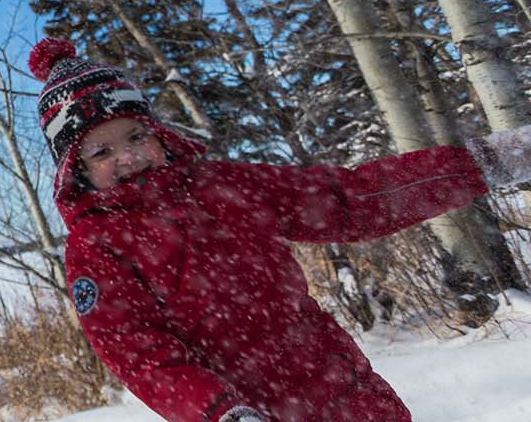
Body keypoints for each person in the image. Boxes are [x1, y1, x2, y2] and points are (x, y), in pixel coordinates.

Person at [29, 37, 531, 422]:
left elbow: (352, 199)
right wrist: (219, 411)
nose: (129, 156)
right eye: (102, 151)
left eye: (136, 135)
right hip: (252, 409)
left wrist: (482, 164)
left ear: (157, 132)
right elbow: (139, 354)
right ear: (75, 167)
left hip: (346, 390)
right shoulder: (96, 247)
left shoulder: (222, 184)